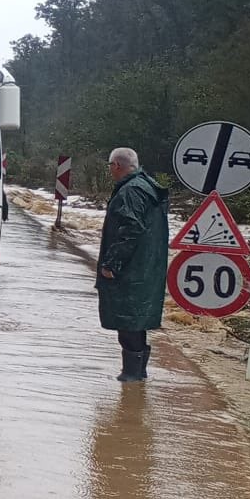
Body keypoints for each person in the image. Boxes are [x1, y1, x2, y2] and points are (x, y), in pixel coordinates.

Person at [97, 147, 168, 382]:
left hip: (131, 270)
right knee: (135, 319)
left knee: (128, 320)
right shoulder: (146, 186)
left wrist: (112, 263)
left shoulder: (131, 191)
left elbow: (130, 229)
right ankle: (137, 372)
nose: (110, 171)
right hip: (145, 268)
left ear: (117, 165)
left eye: (110, 166)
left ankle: (132, 374)